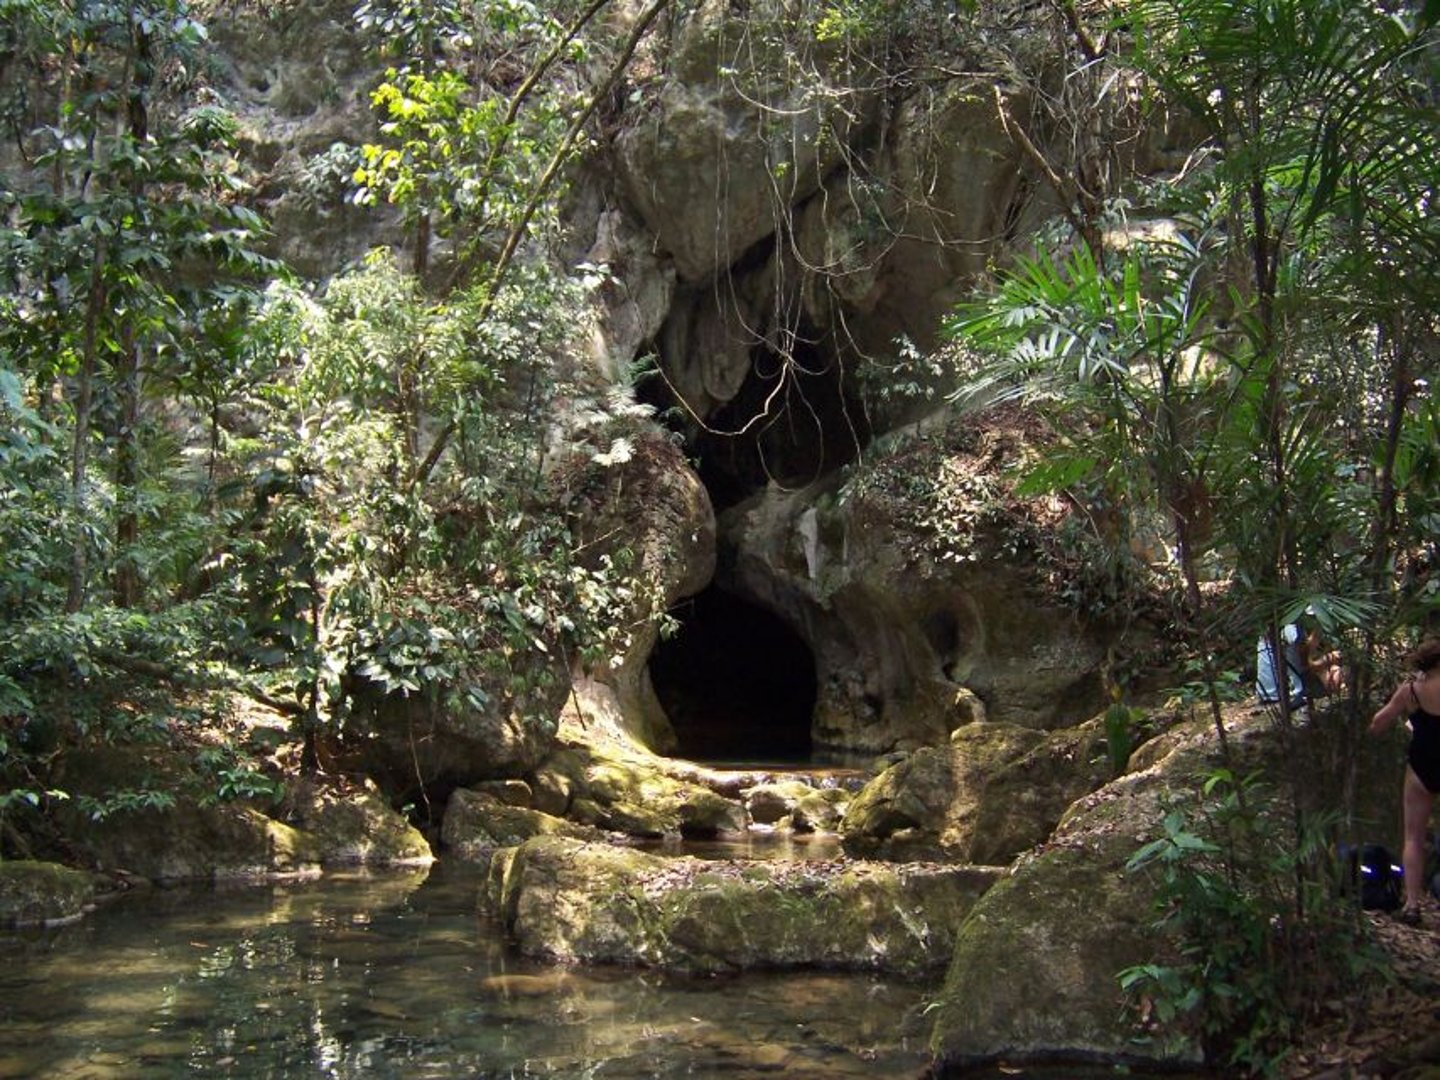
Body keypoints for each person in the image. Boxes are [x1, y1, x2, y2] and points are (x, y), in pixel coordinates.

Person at [1368, 638, 1440, 926]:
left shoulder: (1410, 691)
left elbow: (1377, 724)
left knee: (1413, 837)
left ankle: (1411, 905)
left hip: (1421, 766)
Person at [1256, 618, 1344, 709]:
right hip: (1300, 681)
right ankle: (1294, 691)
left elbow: (1313, 661)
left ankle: (1298, 690)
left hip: (1310, 681)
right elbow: (1311, 662)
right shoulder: (1290, 631)